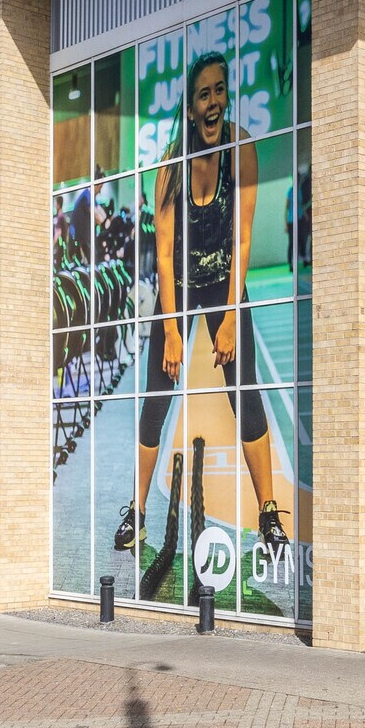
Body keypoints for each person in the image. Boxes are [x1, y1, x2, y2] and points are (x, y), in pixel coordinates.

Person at [112, 51, 291, 557]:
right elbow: (164, 258)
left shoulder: (242, 150)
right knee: (156, 397)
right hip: (181, 288)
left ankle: (269, 513)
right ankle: (138, 511)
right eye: (202, 94)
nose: (212, 101)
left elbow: (243, 241)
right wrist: (171, 330)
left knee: (246, 393)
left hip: (223, 285)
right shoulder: (171, 165)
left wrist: (230, 317)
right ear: (191, 108)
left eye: (218, 91)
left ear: (225, 97)